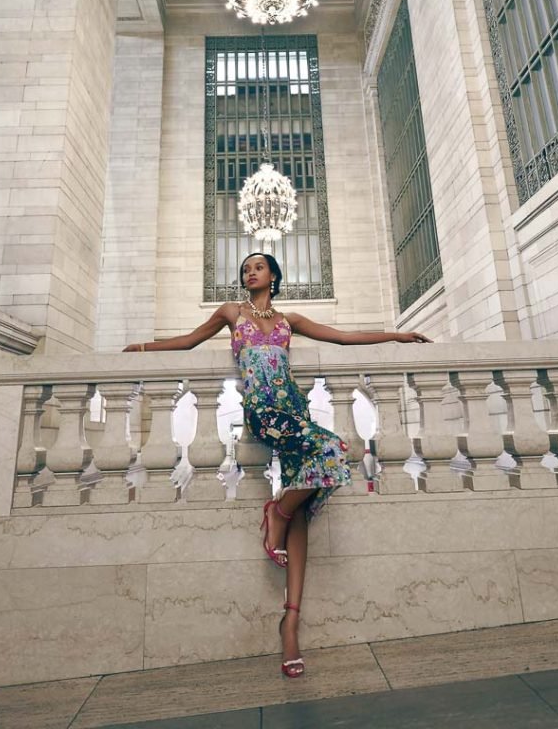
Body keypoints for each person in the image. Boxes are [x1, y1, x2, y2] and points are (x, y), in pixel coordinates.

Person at [124, 252, 431, 677]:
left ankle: (290, 624)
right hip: (264, 413)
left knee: (304, 506)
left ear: (274, 276)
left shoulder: (290, 320)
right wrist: (141, 348)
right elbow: (187, 341)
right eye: (245, 268)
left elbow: (342, 337)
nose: (250, 271)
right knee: (333, 449)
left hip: (294, 411)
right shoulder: (231, 313)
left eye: (258, 267)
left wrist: (395, 336)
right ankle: (277, 511)